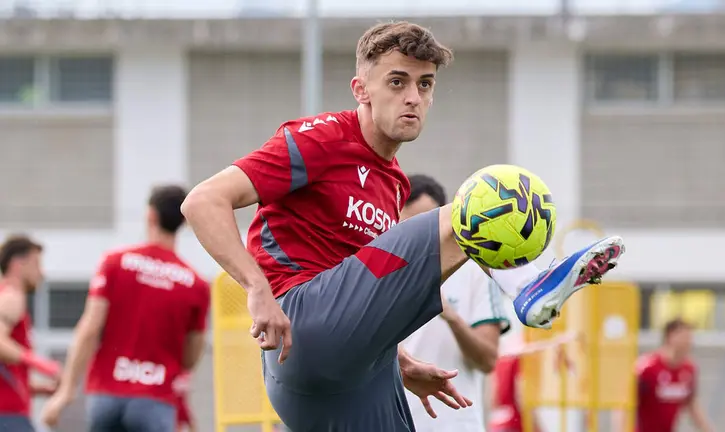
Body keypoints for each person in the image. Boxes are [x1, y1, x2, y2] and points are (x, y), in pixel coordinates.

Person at [181, 20, 625, 431]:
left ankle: (513, 294)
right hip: (298, 326)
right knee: (477, 201)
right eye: (397, 81)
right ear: (361, 89)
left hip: (344, 376)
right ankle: (529, 285)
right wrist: (257, 291)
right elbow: (203, 202)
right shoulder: (320, 138)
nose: (413, 96)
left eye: (424, 84)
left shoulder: (393, 185)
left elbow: (364, 289)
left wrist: (403, 362)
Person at [41, 185, 211, 432]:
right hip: (155, 398)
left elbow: (89, 329)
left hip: (107, 395)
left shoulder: (115, 263)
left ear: (150, 215)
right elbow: (190, 356)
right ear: (183, 222)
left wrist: (66, 391)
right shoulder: (195, 284)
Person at [399, 173, 510, 431]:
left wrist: (451, 316)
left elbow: (488, 360)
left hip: (454, 424)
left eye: (422, 225)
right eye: (405, 224)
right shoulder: (377, 269)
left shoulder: (475, 271)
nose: (412, 235)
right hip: (390, 422)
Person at [0, 235, 61, 432]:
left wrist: (35, 388)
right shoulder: (11, 297)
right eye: (36, 264)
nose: (41, 273)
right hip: (8, 415)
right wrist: (44, 365)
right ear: (18, 264)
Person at [613, 318, 714, 432]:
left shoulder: (689, 369)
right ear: (670, 337)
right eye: (684, 336)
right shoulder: (647, 368)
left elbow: (691, 404)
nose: (689, 341)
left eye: (690, 337)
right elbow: (623, 404)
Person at [490, 331, 577, 432]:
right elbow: (522, 396)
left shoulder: (509, 351)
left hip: (500, 423)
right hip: (516, 424)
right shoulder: (528, 356)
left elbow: (495, 397)